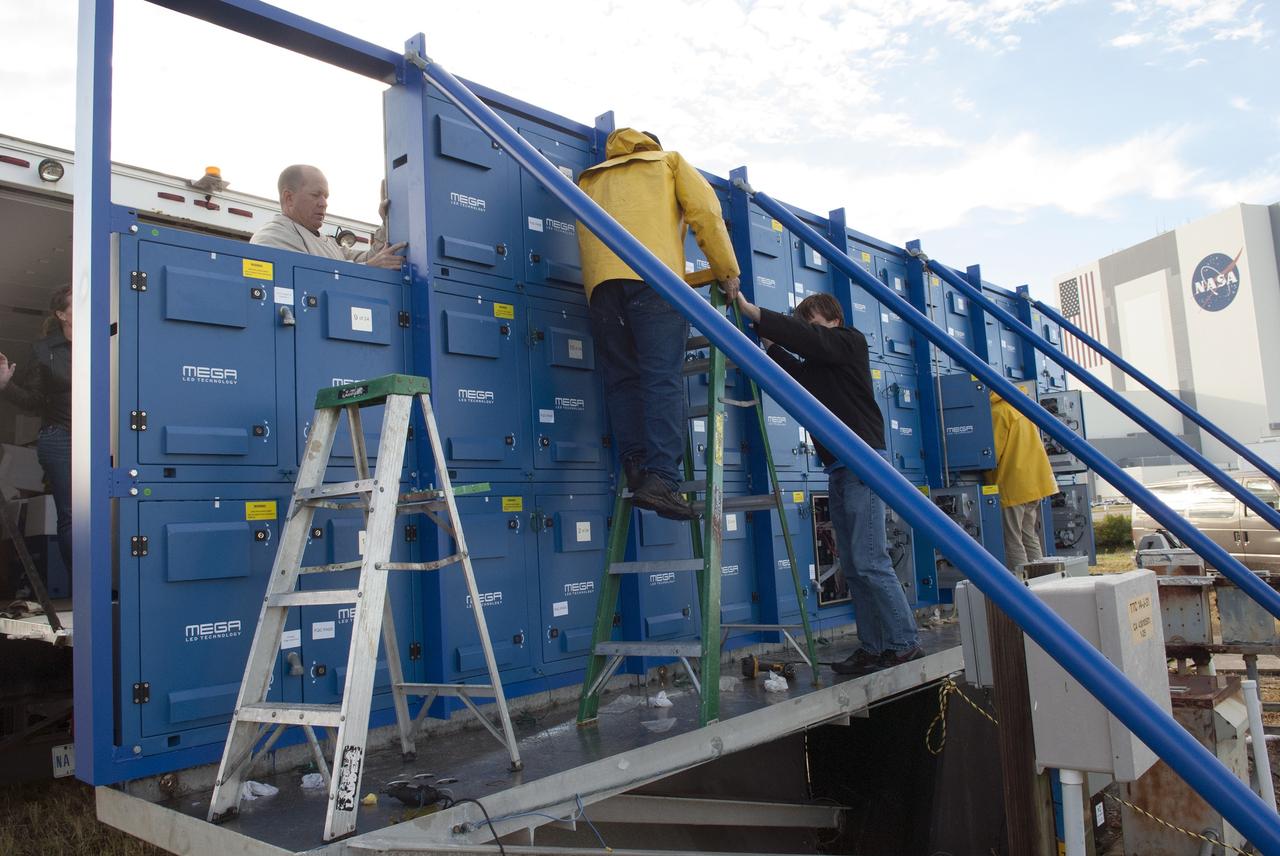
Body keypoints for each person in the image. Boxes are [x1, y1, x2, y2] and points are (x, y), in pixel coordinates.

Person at [736, 290, 923, 676]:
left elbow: (813, 342)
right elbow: (797, 372)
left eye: (814, 322)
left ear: (834, 320)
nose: (809, 331)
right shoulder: (823, 364)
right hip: (839, 467)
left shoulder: (850, 342)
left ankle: (905, 642)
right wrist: (769, 341)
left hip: (863, 463)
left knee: (871, 560)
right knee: (853, 566)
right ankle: (873, 647)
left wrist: (756, 312)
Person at [576, 129, 740, 520]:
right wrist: (726, 271)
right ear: (653, 144)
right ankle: (663, 479)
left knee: (622, 379)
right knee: (661, 377)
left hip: (601, 286)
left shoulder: (591, 177)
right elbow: (706, 214)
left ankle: (636, 467)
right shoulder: (668, 162)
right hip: (653, 278)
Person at [0, 285, 73, 591]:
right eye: (77, 306)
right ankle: (83, 589)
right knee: (71, 514)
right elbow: (33, 401)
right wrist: (6, 385)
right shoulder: (44, 350)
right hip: (60, 439)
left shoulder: (106, 340)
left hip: (105, 438)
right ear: (61, 314)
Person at [251, 165, 406, 269]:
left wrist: (387, 222)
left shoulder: (328, 244)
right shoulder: (273, 237)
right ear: (289, 198)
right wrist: (369, 268)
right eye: (315, 195)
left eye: (326, 197)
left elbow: (369, 258)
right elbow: (306, 278)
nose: (324, 203)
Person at [988, 390, 1059, 570]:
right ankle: (1041, 580)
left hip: (1014, 484)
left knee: (1012, 538)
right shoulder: (1020, 408)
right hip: (1034, 482)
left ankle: (1020, 586)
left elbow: (991, 453)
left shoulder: (999, 412)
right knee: (1029, 535)